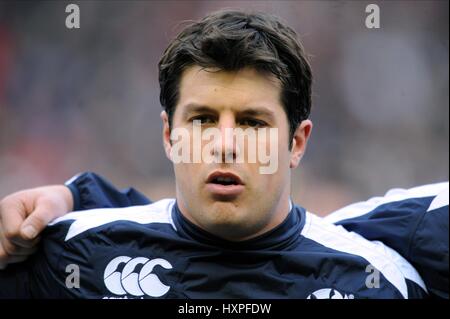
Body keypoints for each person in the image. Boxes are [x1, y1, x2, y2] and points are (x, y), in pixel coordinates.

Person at [0, 9, 438, 298]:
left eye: (252, 123)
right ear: (169, 136)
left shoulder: (374, 283)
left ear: (297, 143)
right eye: (203, 119)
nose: (225, 144)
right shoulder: (67, 256)